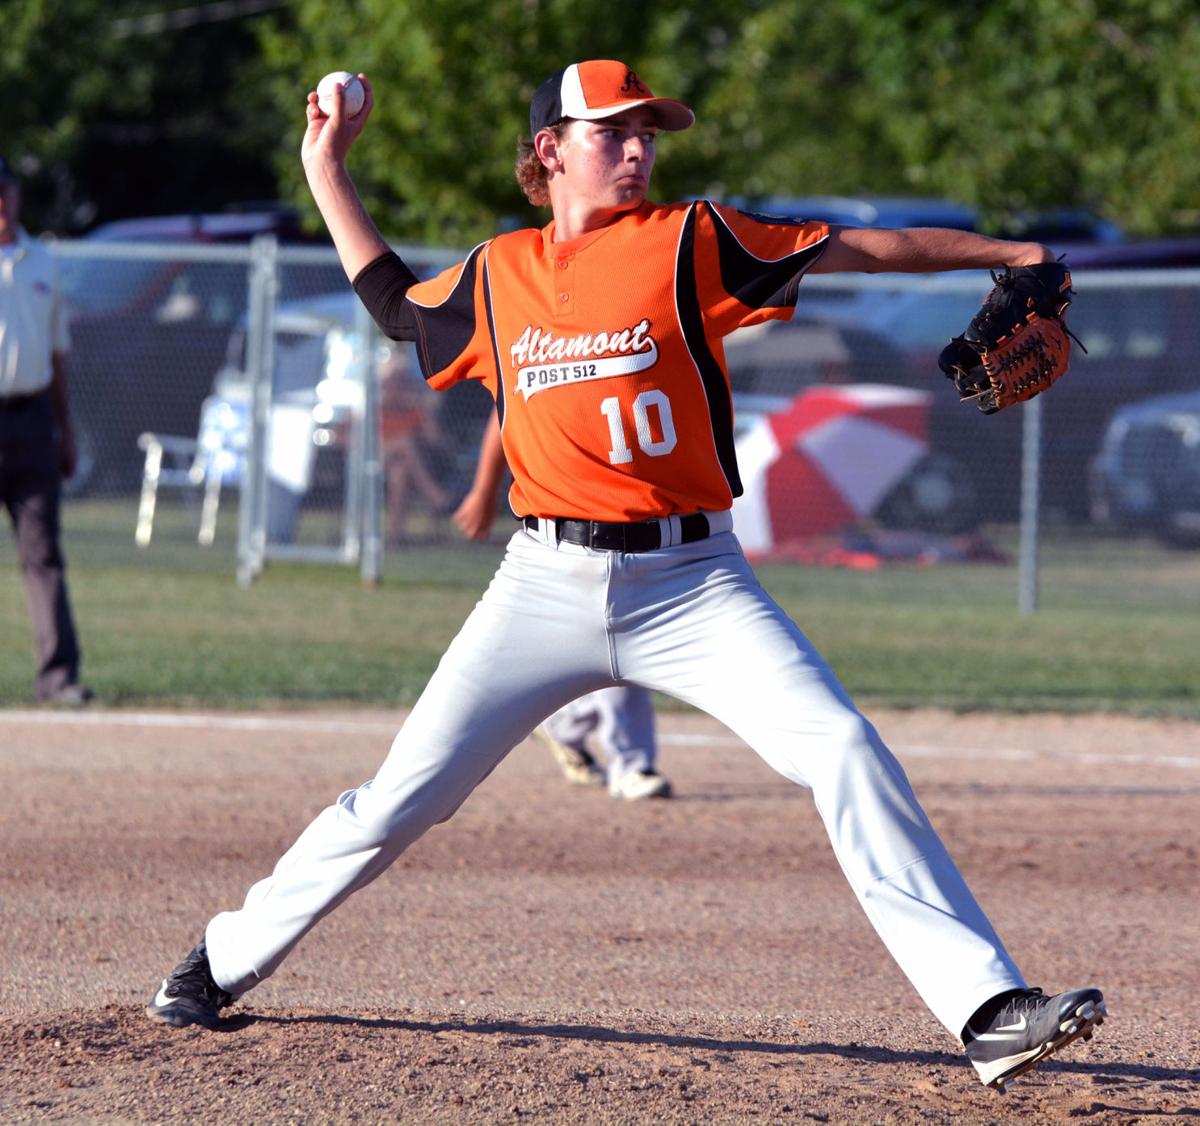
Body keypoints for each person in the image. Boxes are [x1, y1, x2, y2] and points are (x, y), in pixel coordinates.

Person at [146, 61, 1105, 1091]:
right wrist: (323, 164)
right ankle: (222, 958)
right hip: (541, 584)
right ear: (551, 150)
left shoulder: (691, 240)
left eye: (649, 132)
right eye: (614, 132)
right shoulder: (496, 273)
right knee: (399, 800)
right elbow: (391, 304)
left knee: (841, 746)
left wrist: (1016, 252)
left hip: (694, 581)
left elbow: (857, 244)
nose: (640, 149)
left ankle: (989, 1008)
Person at [453, 413, 670, 799]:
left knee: (620, 647)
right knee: (619, 633)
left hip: (645, 520)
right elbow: (503, 406)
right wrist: (485, 491)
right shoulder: (540, 352)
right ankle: (632, 764)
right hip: (572, 524)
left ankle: (566, 724)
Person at [0, 155, 92, 707]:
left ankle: (58, 677)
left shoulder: (42, 262)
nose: (1, 204)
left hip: (32, 419)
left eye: (5, 191)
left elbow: (58, 353)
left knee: (43, 554)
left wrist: (66, 427)